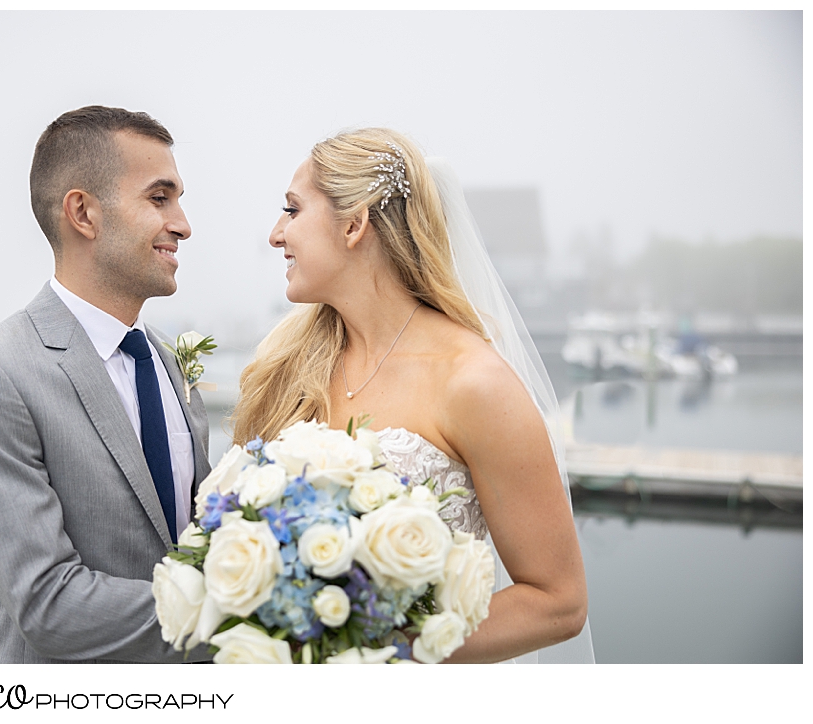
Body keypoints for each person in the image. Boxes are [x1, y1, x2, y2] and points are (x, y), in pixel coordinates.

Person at [233, 128, 594, 663]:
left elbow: (558, 603)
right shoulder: (286, 369)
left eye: (292, 210)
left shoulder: (474, 383)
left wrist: (378, 652)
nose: (274, 234)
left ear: (354, 224)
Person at [0, 106, 212, 663]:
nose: (182, 223)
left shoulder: (172, 366)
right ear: (83, 213)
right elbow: (47, 604)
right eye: (160, 198)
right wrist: (252, 612)